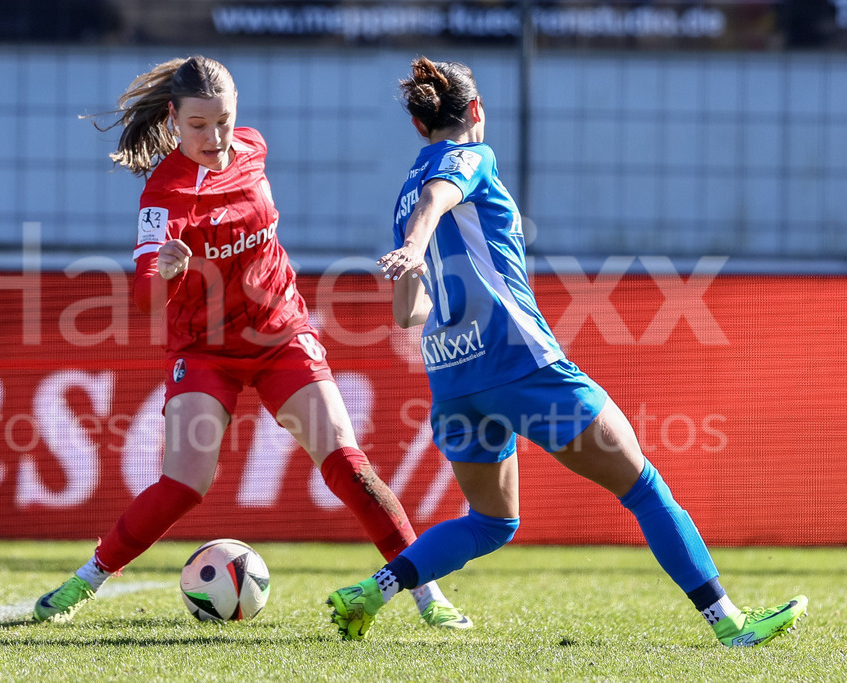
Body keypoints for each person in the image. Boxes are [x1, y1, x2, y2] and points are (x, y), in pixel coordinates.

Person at [326, 57, 808, 646]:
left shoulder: (402, 194)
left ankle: (370, 592)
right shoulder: (470, 158)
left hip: (452, 379)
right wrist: (416, 244)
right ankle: (730, 624)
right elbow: (438, 196)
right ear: (476, 110)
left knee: (493, 521)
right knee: (643, 486)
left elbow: (409, 315)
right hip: (519, 364)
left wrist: (411, 257)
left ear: (417, 125)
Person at [33, 55, 470, 629]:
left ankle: (426, 592)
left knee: (346, 461)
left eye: (223, 121)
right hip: (204, 348)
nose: (214, 137)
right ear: (173, 118)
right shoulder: (164, 194)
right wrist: (165, 272)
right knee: (185, 483)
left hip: (281, 333)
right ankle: (87, 579)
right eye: (198, 125)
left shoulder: (254, 147)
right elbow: (144, 299)